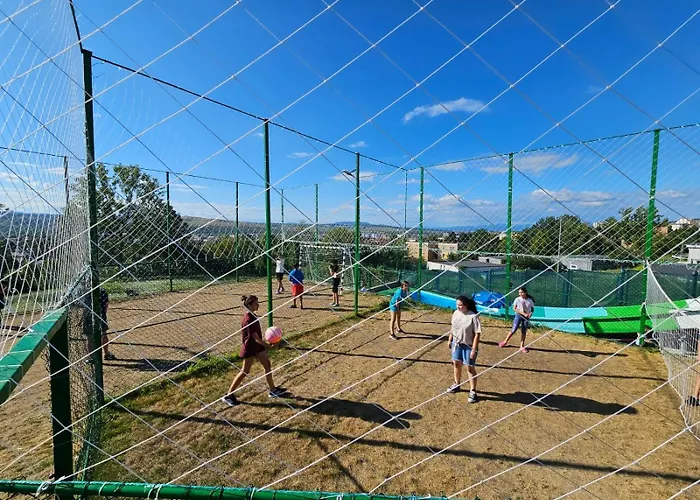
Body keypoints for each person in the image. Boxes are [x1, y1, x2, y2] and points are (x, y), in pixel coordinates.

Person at [222, 295, 288, 406]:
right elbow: (255, 338)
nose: (258, 305)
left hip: (257, 347)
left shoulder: (253, 315)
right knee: (245, 371)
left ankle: (273, 390)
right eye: (256, 303)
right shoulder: (248, 319)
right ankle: (228, 395)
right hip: (250, 348)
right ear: (249, 305)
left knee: (267, 365)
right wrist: (267, 345)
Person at [448, 296, 481, 403]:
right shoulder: (455, 313)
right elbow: (453, 327)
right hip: (457, 344)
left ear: (466, 305)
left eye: (460, 305)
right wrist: (450, 339)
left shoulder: (473, 316)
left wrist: (473, 349)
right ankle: (457, 384)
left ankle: (473, 391)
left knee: (470, 368)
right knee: (456, 363)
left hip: (468, 346)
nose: (458, 307)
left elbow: (477, 334)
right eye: (457, 304)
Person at [499, 287, 535, 353]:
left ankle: (522, 346)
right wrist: (523, 313)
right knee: (513, 330)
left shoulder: (530, 300)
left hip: (526, 317)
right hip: (518, 316)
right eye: (519, 292)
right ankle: (505, 341)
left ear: (525, 292)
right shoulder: (517, 299)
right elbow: (514, 308)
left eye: (522, 292)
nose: (520, 294)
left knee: (523, 331)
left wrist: (530, 314)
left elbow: (532, 309)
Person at [85, 287, 116, 361]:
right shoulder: (102, 291)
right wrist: (103, 314)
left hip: (88, 316)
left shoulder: (86, 291)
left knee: (90, 337)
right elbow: (106, 304)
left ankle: (92, 357)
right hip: (100, 314)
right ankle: (106, 353)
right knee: (103, 333)